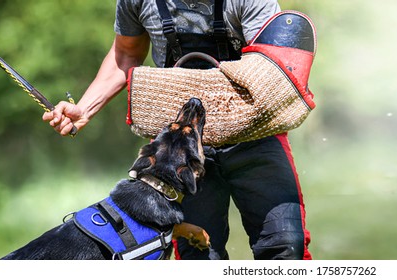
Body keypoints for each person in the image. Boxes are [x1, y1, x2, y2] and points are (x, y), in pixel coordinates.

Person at [42, 0, 312, 260]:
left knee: (286, 248)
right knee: (199, 257)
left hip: (254, 137)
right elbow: (127, 53)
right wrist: (86, 108)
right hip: (179, 150)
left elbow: (270, 70)